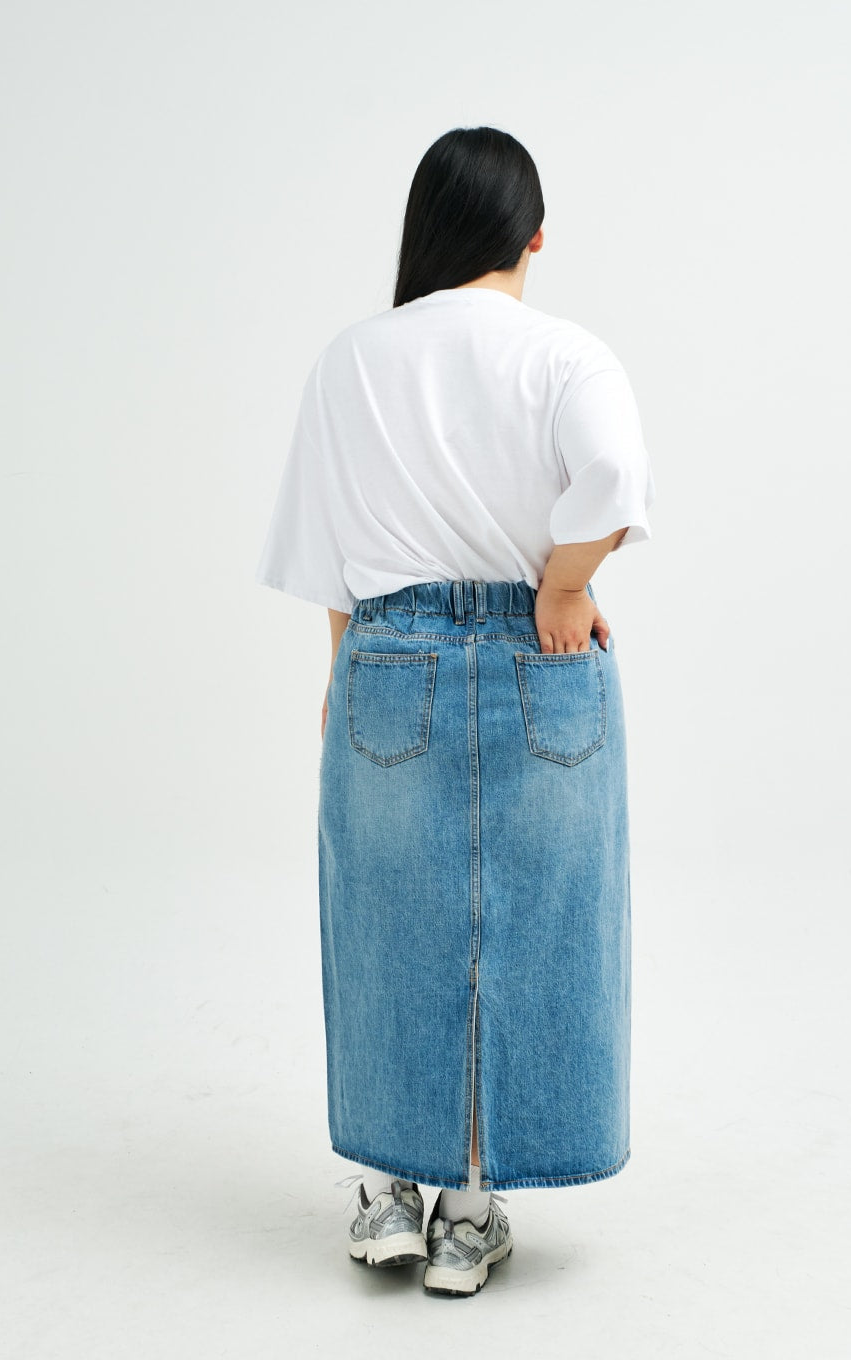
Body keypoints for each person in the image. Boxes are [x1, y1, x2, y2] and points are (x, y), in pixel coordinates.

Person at [255, 125, 656, 1297]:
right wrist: (564, 587)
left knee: (383, 918)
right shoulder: (566, 354)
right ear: (535, 236)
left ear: (424, 230)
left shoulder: (351, 359)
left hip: (389, 656)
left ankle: (389, 1190)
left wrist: (346, 671)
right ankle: (470, 1212)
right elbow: (613, 479)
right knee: (535, 924)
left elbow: (330, 549)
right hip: (544, 659)